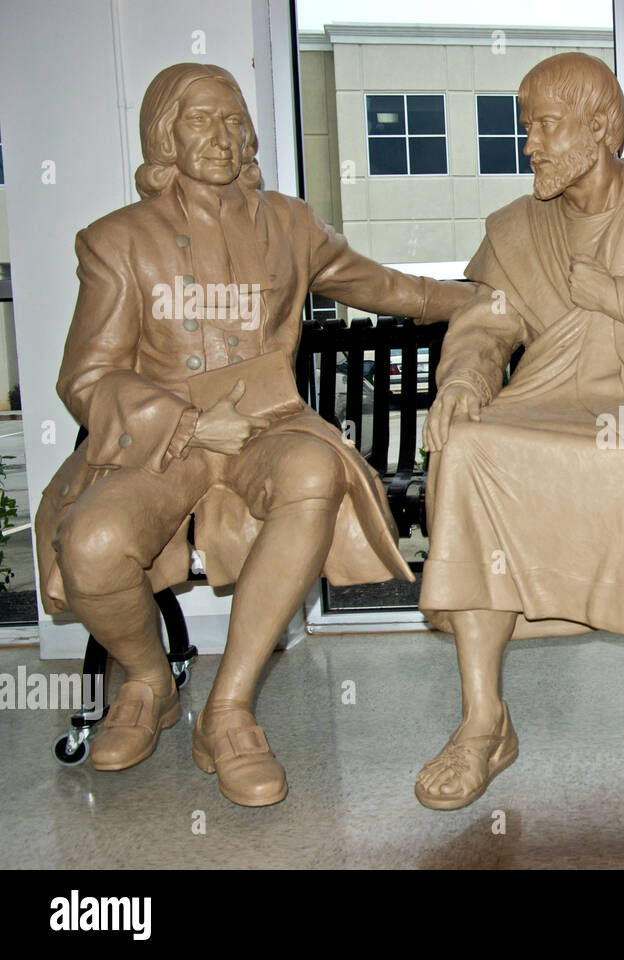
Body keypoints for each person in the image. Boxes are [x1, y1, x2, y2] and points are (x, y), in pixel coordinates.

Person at [34, 62, 472, 806]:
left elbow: (385, 287)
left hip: (269, 425)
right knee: (93, 545)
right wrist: (189, 422)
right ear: (164, 134)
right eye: (201, 120)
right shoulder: (117, 242)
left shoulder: (290, 225)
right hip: (167, 436)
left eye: (235, 120)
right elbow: (86, 375)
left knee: (314, 471)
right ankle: (146, 680)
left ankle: (228, 710)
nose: (224, 136)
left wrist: (477, 301)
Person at [414, 52, 624, 810]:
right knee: (467, 453)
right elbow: (485, 323)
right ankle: (482, 719)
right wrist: (465, 379)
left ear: (600, 128)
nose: (528, 144)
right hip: (549, 400)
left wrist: (622, 295)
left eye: (543, 127)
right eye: (525, 128)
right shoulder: (518, 227)